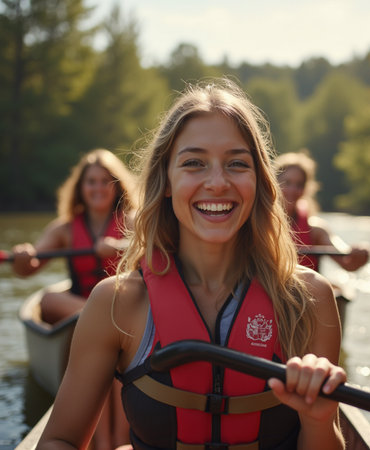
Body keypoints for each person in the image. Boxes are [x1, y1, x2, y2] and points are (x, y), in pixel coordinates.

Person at [37, 79, 347, 450]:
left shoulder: (310, 299)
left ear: (259, 181)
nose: (217, 183)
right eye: (194, 163)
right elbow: (60, 441)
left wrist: (320, 419)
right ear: (166, 180)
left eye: (236, 164)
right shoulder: (116, 303)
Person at [12, 148, 137, 450]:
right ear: (81, 188)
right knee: (49, 301)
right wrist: (23, 255)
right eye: (90, 181)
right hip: (88, 311)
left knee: (113, 345)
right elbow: (28, 268)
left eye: (104, 181)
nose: (97, 188)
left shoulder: (131, 220)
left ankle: (114, 442)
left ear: (117, 185)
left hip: (122, 311)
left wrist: (118, 244)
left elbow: (152, 248)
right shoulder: (65, 228)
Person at [275, 150, 369, 273]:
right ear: (274, 183)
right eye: (287, 183)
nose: (293, 190)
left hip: (304, 291)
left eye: (299, 185)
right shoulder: (259, 224)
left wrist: (361, 252)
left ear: (305, 189)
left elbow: (349, 264)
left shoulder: (316, 230)